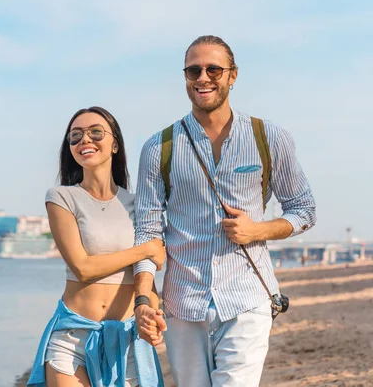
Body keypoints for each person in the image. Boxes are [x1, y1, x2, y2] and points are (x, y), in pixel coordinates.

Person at [132, 35, 317, 386]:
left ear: (233, 75)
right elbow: (147, 233)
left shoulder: (270, 138)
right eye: (193, 70)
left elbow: (303, 209)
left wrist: (257, 230)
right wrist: (143, 296)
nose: (203, 77)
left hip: (247, 297)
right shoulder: (158, 148)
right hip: (182, 303)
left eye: (214, 69)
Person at [27, 106, 166, 387]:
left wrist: (150, 312)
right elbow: (82, 268)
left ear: (115, 143)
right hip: (73, 338)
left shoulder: (140, 204)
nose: (84, 140)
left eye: (95, 132)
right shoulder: (62, 197)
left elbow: (146, 282)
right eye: (75, 136)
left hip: (127, 341)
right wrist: (145, 249)